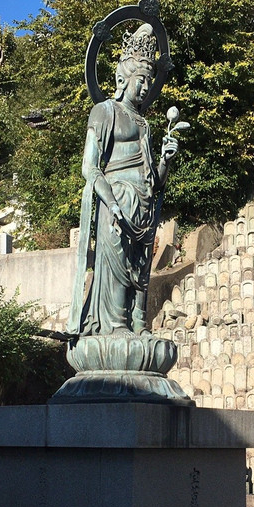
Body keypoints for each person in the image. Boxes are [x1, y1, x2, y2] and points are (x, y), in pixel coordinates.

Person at [69, 23, 178, 336]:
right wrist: (112, 203)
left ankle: (138, 324)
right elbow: (89, 167)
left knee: (141, 272)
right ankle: (115, 326)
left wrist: (165, 161)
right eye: (140, 80)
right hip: (116, 203)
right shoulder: (104, 111)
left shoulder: (144, 124)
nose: (145, 88)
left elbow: (155, 183)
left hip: (142, 207)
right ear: (123, 78)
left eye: (148, 81)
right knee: (117, 270)